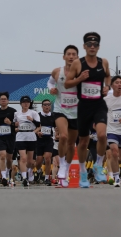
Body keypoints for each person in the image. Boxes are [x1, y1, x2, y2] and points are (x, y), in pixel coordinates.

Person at [65, 32, 111, 188]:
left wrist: (107, 87)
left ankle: (98, 165)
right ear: (84, 46)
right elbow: (67, 84)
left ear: (98, 47)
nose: (92, 47)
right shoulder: (78, 63)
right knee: (83, 142)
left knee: (102, 134)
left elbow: (108, 76)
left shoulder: (103, 62)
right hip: (84, 106)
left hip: (99, 104)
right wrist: (79, 79)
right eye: (89, 45)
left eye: (95, 45)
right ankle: (83, 172)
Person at [48, 45, 79, 187]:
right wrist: (52, 89)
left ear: (77, 57)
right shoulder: (57, 71)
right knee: (64, 136)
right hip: (60, 109)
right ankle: (61, 163)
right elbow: (50, 82)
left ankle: (66, 167)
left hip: (76, 111)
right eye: (69, 54)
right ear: (64, 56)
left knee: (72, 144)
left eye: (74, 54)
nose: (71, 56)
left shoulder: (82, 73)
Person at [0, 92, 17, 186]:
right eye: (1, 99)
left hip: (10, 137)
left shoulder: (14, 112)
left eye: (5, 99)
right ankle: (3, 177)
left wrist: (10, 123)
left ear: (8, 100)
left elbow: (18, 124)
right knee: (2, 155)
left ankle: (7, 173)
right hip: (0, 137)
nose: (3, 100)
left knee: (9, 159)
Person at [14, 96, 40, 187]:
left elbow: (39, 125)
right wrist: (15, 126)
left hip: (31, 137)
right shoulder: (17, 114)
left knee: (30, 161)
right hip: (20, 137)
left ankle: (29, 171)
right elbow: (14, 126)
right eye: (24, 102)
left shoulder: (34, 113)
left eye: (27, 102)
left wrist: (32, 120)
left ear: (30, 103)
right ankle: (24, 178)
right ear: (21, 103)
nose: (26, 104)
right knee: (23, 158)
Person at [104, 75, 121, 187]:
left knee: (119, 157)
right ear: (112, 85)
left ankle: (113, 171)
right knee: (114, 152)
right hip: (112, 130)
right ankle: (116, 177)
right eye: (117, 82)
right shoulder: (106, 100)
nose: (119, 84)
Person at [35, 99, 55, 186]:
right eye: (45, 105)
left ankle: (47, 178)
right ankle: (39, 171)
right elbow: (34, 128)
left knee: (48, 158)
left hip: (49, 140)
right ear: (42, 106)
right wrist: (37, 132)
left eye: (48, 105)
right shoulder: (37, 116)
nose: (47, 106)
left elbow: (57, 128)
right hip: (39, 140)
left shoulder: (53, 116)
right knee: (38, 161)